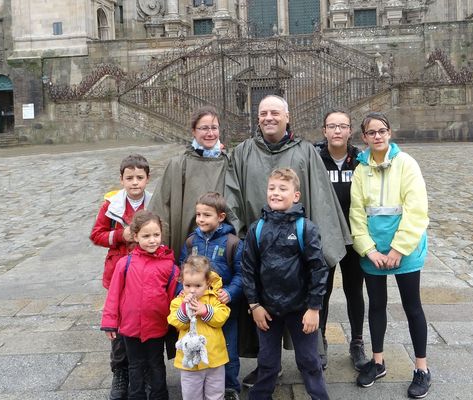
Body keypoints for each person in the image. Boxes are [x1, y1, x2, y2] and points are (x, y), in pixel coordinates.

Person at [224, 94, 350, 386]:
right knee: (262, 309)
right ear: (257, 118)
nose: (269, 117)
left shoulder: (305, 151)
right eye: (263, 113)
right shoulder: (242, 151)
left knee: (305, 305)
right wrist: (241, 235)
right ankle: (269, 364)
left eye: (275, 113)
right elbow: (230, 195)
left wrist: (319, 246)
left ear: (287, 117)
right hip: (262, 247)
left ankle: (313, 361)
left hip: (297, 249)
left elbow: (320, 195)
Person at [349, 112, 431, 398]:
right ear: (365, 137)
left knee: (412, 306)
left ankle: (421, 367)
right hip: (374, 251)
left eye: (382, 131)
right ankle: (378, 361)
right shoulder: (361, 170)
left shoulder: (406, 164)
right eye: (371, 133)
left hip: (404, 250)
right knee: (376, 306)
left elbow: (417, 209)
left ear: (389, 133)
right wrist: (369, 250)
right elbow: (356, 213)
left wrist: (399, 248)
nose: (377, 136)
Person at [241, 168, 330, 400]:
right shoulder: (257, 229)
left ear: (296, 196)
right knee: (267, 361)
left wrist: (314, 308)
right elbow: (248, 270)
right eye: (272, 188)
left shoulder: (306, 229)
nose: (276, 193)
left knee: (309, 361)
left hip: (301, 309)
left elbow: (318, 269)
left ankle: (319, 396)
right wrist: (254, 305)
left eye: (283, 189)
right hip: (267, 309)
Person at [90, 153, 152, 400]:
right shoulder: (111, 205)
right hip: (119, 275)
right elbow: (96, 234)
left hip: (146, 274)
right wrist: (119, 236)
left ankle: (146, 372)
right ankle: (120, 372)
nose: (135, 182)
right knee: (118, 326)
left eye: (139, 177)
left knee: (146, 322)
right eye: (130, 178)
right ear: (121, 179)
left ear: (147, 179)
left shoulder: (154, 204)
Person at [101, 210, 179, 400]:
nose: (152, 240)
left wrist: (176, 325)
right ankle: (136, 395)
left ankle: (159, 396)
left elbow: (173, 300)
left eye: (156, 235)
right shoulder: (124, 264)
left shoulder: (170, 267)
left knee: (156, 363)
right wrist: (110, 322)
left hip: (156, 326)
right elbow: (113, 296)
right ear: (135, 236)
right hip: (129, 327)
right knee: (135, 365)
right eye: (146, 236)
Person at [315, 109, 368, 370]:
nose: (337, 131)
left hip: (354, 237)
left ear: (350, 131)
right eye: (332, 126)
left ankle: (357, 341)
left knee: (354, 290)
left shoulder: (360, 160)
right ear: (324, 130)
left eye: (342, 126)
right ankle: (319, 340)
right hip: (324, 238)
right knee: (321, 291)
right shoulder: (314, 159)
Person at [179, 192, 244, 400]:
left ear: (221, 217)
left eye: (206, 215)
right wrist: (180, 292)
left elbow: (242, 274)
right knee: (201, 344)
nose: (201, 219)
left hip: (223, 309)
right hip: (196, 309)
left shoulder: (232, 242)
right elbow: (181, 270)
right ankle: (201, 383)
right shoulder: (191, 242)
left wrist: (230, 292)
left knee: (228, 350)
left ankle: (230, 387)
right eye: (198, 215)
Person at [149, 106, 230, 263]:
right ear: (193, 131)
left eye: (214, 128)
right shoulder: (177, 165)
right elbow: (160, 207)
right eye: (204, 128)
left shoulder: (229, 162)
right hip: (187, 242)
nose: (210, 133)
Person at [168, 255, 231, 400]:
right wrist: (185, 308)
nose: (192, 291)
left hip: (214, 358)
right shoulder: (178, 301)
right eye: (187, 285)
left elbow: (222, 317)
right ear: (182, 282)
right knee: (191, 395)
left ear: (207, 282)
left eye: (198, 286)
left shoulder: (215, 298)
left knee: (216, 394)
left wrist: (206, 311)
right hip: (189, 362)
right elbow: (175, 321)